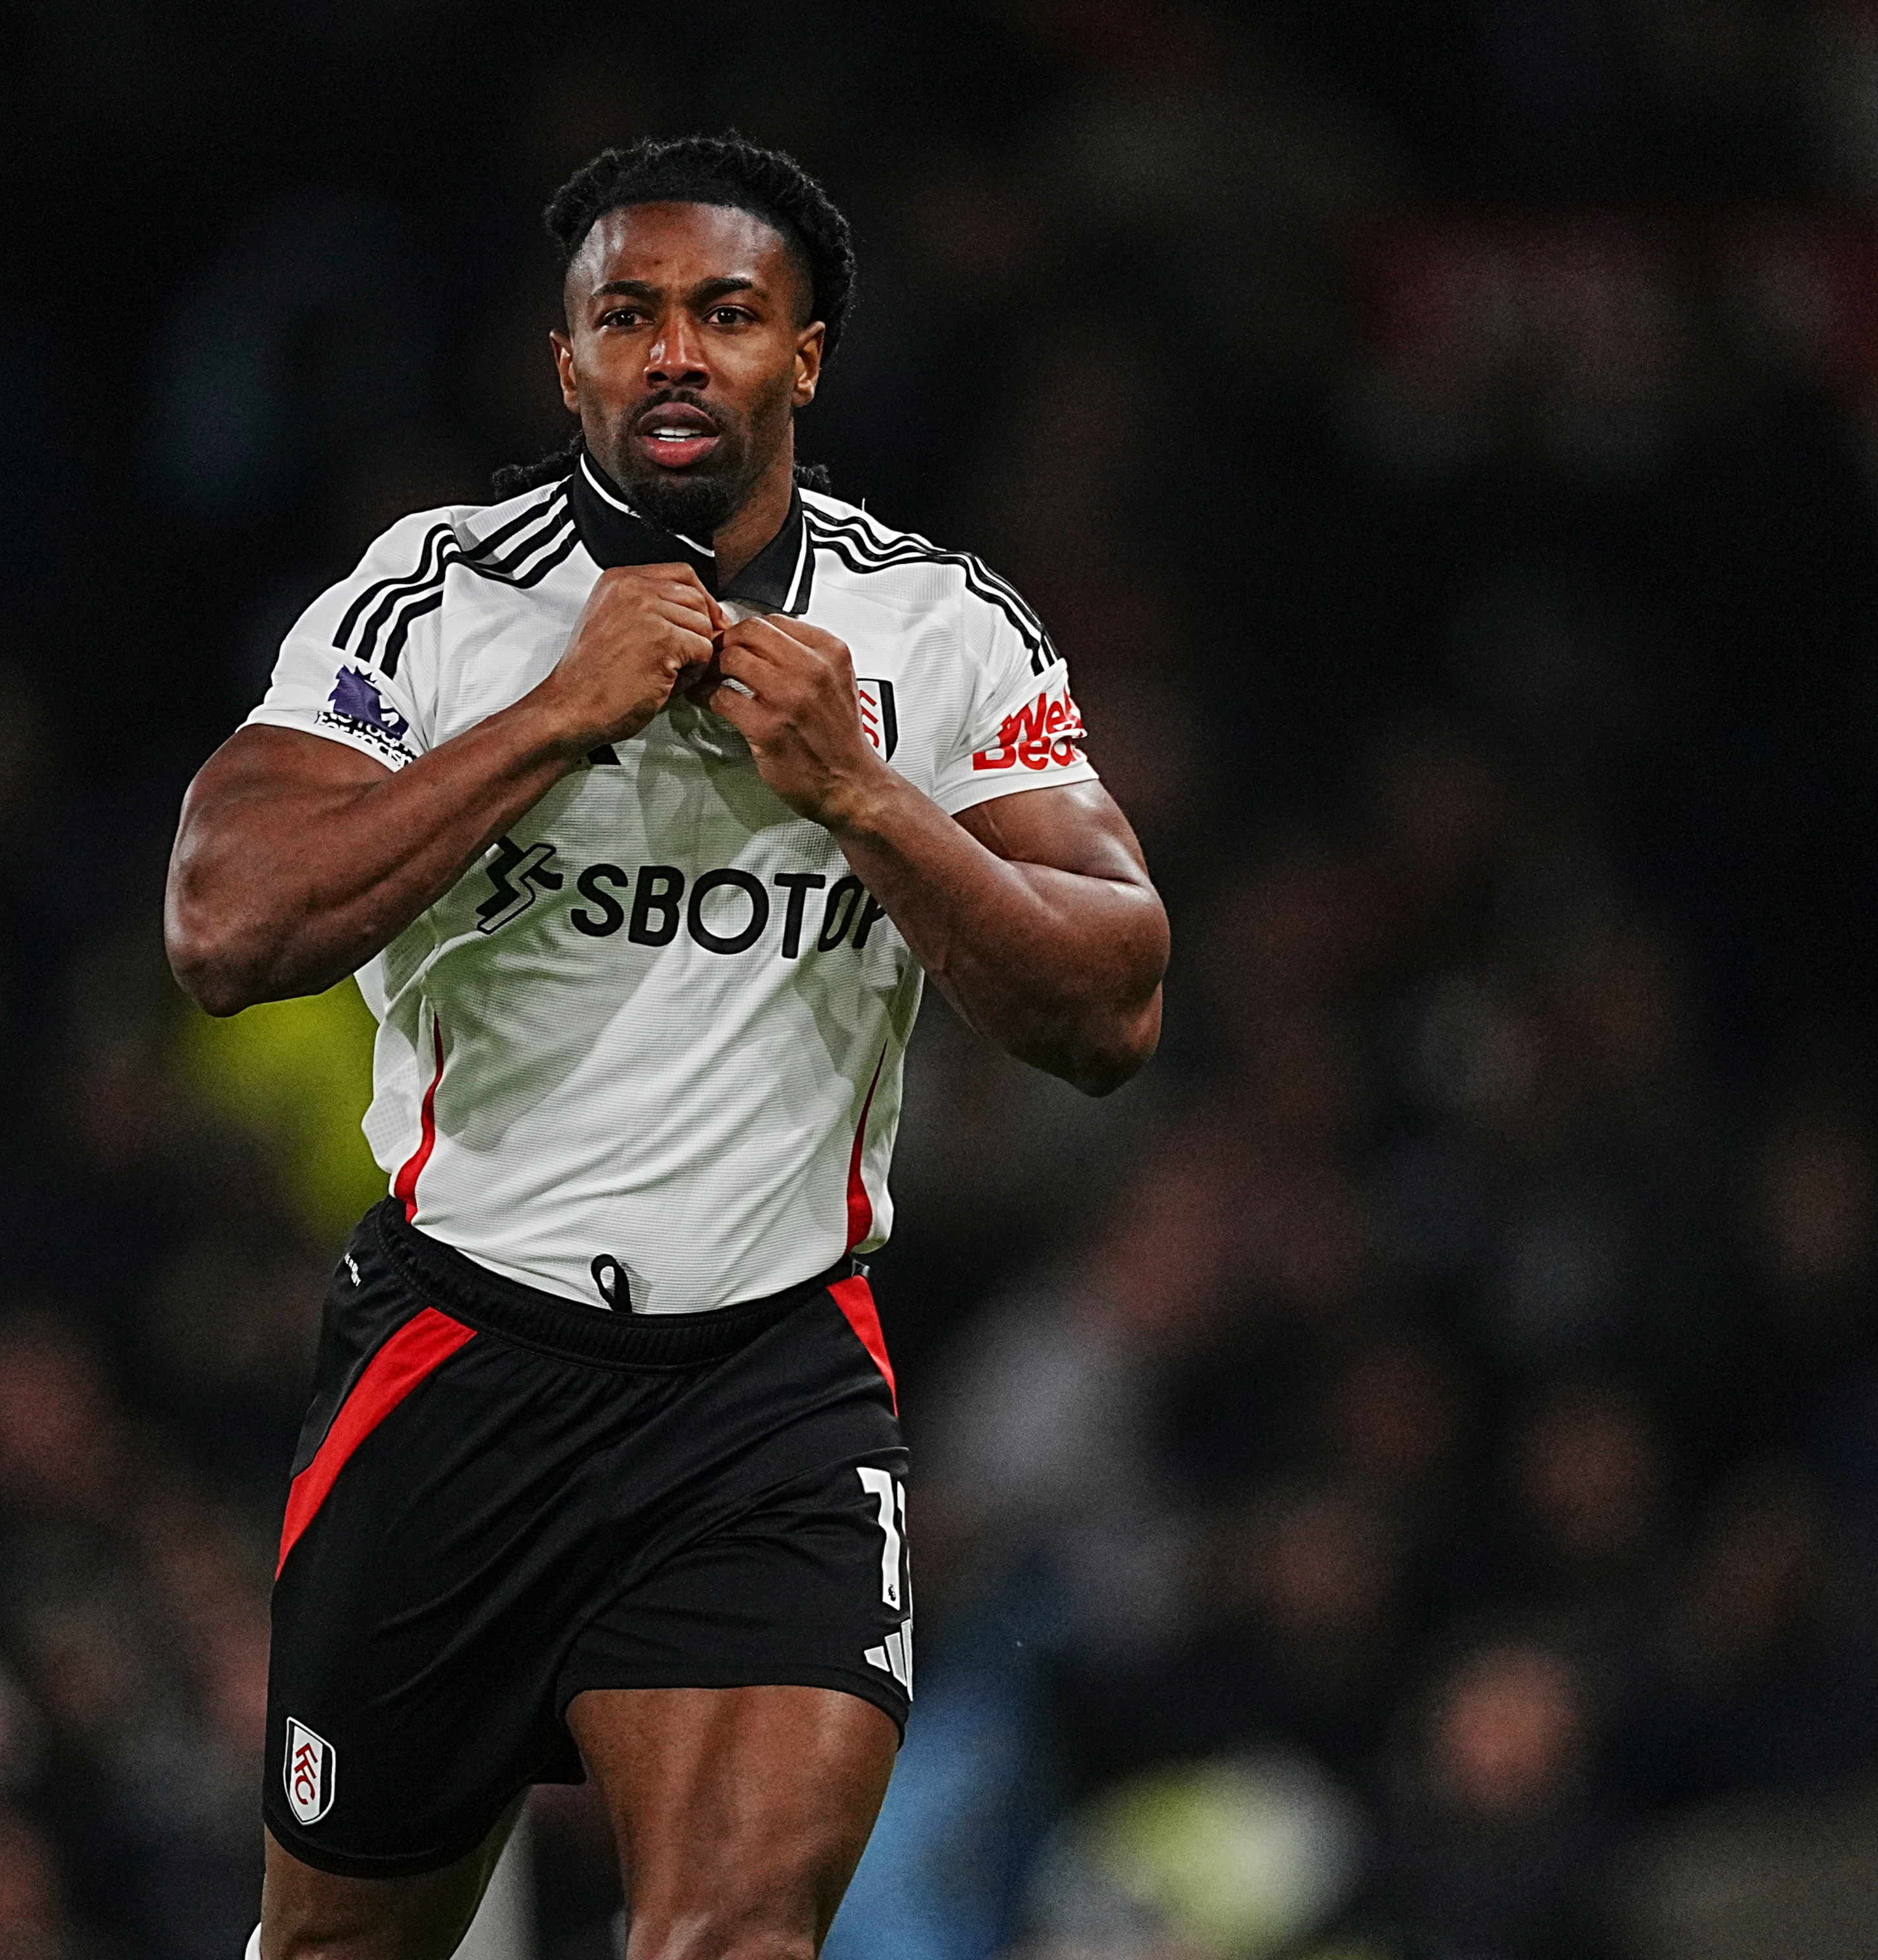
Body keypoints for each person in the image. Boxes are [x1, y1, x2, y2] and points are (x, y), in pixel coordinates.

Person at [162, 135, 1168, 1960]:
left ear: (807, 358)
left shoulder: (937, 632)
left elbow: (1115, 999)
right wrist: (560, 715)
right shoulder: (436, 600)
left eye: (727, 313)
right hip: (458, 1366)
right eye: (627, 315)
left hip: (767, 1395)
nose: (676, 354)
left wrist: (865, 795)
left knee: (729, 1937)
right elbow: (228, 926)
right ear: (567, 366)